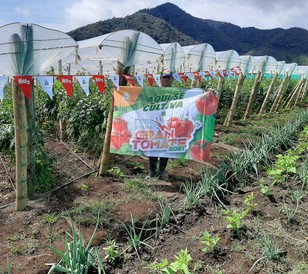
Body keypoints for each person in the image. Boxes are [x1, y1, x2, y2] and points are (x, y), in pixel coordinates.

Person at [147, 69, 173, 180]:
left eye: (168, 77)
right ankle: (152, 171)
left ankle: (162, 170)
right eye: (164, 77)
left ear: (171, 79)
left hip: (169, 124)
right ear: (160, 78)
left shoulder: (177, 91)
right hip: (155, 124)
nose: (166, 79)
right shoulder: (154, 91)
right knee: (153, 147)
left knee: (165, 147)